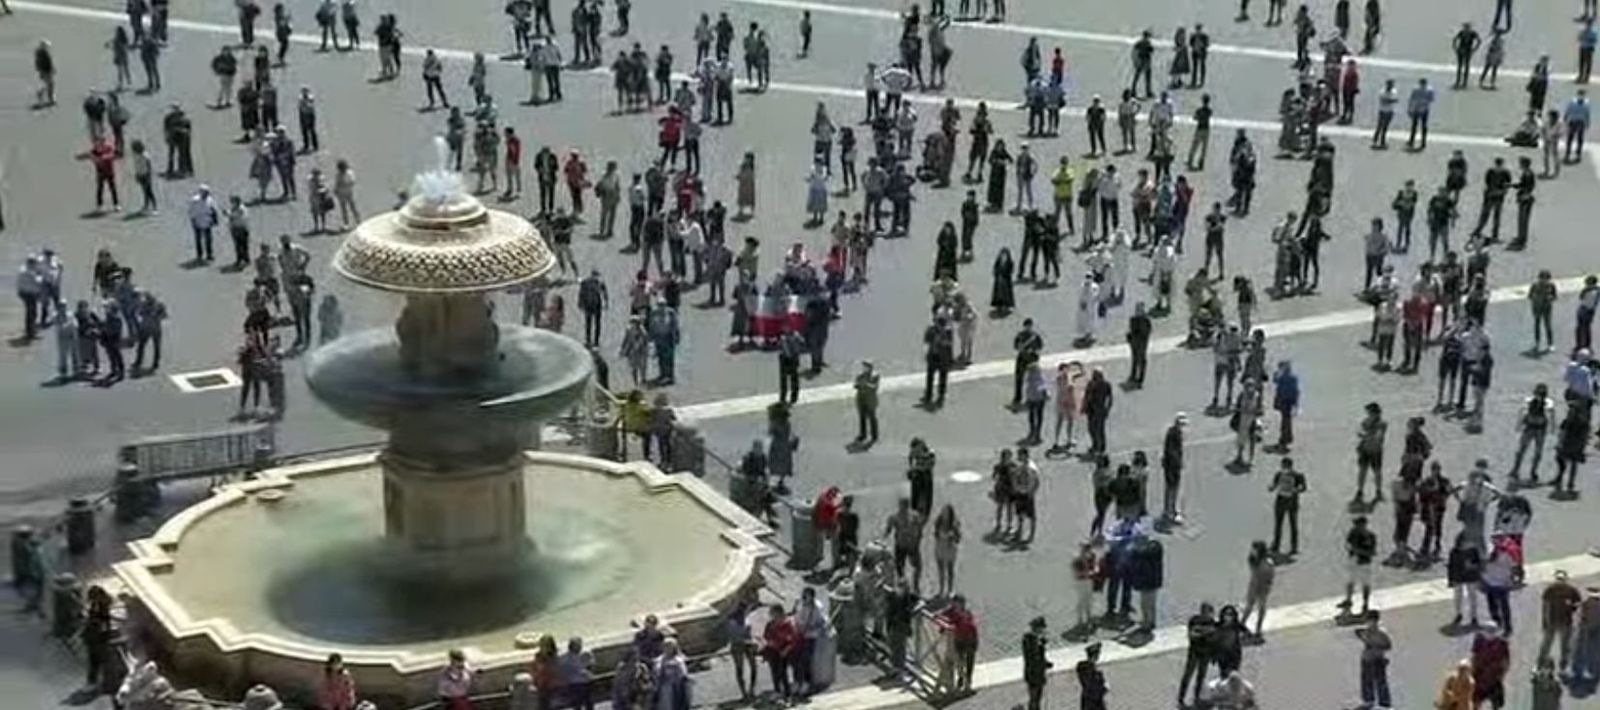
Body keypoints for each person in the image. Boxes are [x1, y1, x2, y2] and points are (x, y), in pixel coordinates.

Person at [1178, 602, 1218, 707]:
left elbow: (1214, 638)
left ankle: (1197, 698)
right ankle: (1181, 699)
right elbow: (1192, 635)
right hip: (1195, 652)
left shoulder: (1212, 622)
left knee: (1201, 676)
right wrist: (1206, 632)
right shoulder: (1194, 620)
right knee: (1188, 675)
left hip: (1206, 653)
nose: (1209, 615)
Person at [1341, 516, 1377, 617]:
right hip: (1354, 561)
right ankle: (1348, 601)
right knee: (1351, 581)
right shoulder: (1353, 533)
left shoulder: (1370, 536)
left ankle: (1365, 604)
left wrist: (1360, 551)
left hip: (1365, 563)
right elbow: (1348, 545)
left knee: (1365, 583)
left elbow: (1372, 552)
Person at [1355, 612, 1393, 709]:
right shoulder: (1365, 632)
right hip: (1366, 659)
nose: (1370, 623)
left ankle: (1384, 702)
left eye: (1372, 621)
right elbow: (1358, 633)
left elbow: (1387, 645)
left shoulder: (1381, 634)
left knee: (1380, 681)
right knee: (1367, 681)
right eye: (1369, 621)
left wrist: (1375, 644)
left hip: (1377, 660)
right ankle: (1368, 700)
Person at [1021, 617, 1052, 710]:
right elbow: (1033, 657)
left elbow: (1040, 657)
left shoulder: (1036, 639)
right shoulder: (1029, 639)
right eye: (1041, 628)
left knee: (1038, 698)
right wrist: (1041, 645)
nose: (1043, 631)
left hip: (1039, 674)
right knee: (1034, 699)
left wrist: (1046, 663)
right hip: (1033, 674)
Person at [853, 360, 880, 445]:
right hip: (861, 399)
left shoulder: (875, 376)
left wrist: (866, 384)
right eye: (864, 367)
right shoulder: (860, 376)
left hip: (870, 400)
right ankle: (863, 434)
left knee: (872, 418)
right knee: (862, 418)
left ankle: (874, 435)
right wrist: (858, 384)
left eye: (866, 367)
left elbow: (875, 387)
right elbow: (856, 385)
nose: (864, 368)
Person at [1076, 642, 1108, 710]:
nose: (1098, 656)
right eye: (1097, 654)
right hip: (1092, 702)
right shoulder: (1086, 669)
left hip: (1094, 701)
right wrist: (1103, 688)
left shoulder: (1090, 669)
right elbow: (1091, 685)